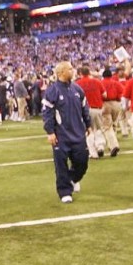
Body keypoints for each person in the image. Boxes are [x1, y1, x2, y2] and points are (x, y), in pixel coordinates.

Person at [42, 61, 91, 203]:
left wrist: (88, 124)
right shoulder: (52, 91)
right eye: (70, 68)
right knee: (61, 164)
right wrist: (50, 132)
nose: (73, 70)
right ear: (61, 72)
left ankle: (73, 178)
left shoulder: (77, 89)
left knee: (82, 161)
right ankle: (64, 192)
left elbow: (84, 109)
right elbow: (47, 113)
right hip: (61, 135)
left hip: (78, 133)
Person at [75, 66, 107, 159]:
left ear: (80, 74)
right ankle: (100, 146)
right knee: (98, 128)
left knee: (88, 131)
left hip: (84, 110)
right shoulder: (97, 81)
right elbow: (105, 94)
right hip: (97, 108)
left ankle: (93, 152)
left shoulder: (77, 84)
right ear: (89, 72)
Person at [100, 68, 123, 157]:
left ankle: (113, 145)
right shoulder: (116, 83)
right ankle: (112, 143)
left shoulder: (101, 83)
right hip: (116, 104)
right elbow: (122, 93)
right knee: (114, 124)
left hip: (105, 104)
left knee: (106, 126)